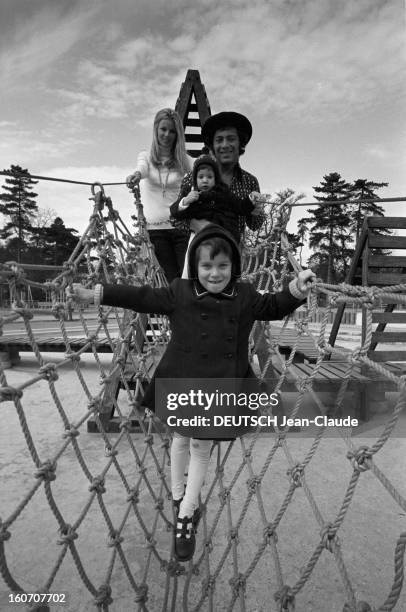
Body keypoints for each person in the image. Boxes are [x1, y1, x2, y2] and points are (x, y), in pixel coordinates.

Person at [70, 225, 315, 563]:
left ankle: (185, 514)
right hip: (184, 380)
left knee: (201, 447)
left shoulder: (243, 296)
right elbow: (139, 297)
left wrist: (296, 291)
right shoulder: (180, 292)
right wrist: (96, 293)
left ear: (234, 268)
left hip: (221, 385)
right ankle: (177, 495)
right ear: (195, 268)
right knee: (180, 437)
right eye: (206, 266)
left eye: (223, 267)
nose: (215, 274)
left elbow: (273, 305)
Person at [176, 111, 265, 241]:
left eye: (231, 139)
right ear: (212, 145)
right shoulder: (193, 177)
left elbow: (255, 225)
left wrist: (255, 210)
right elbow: (175, 219)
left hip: (233, 252)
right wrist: (199, 226)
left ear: (240, 143)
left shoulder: (250, 181)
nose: (224, 145)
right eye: (219, 140)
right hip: (199, 250)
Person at [126, 108, 192, 282]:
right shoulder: (146, 157)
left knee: (187, 278)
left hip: (181, 227)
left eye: (172, 131)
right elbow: (142, 169)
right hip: (156, 230)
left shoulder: (185, 160)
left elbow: (202, 173)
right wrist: (136, 176)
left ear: (177, 134)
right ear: (156, 129)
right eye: (163, 129)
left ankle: (188, 309)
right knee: (170, 280)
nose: (167, 134)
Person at [170, 154, 262, 244]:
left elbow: (240, 207)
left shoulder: (224, 193)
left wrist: (251, 199)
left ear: (216, 179)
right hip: (199, 238)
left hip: (225, 237)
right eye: (201, 177)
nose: (205, 180)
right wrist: (185, 201)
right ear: (195, 179)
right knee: (194, 257)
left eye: (209, 177)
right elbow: (175, 215)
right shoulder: (190, 194)